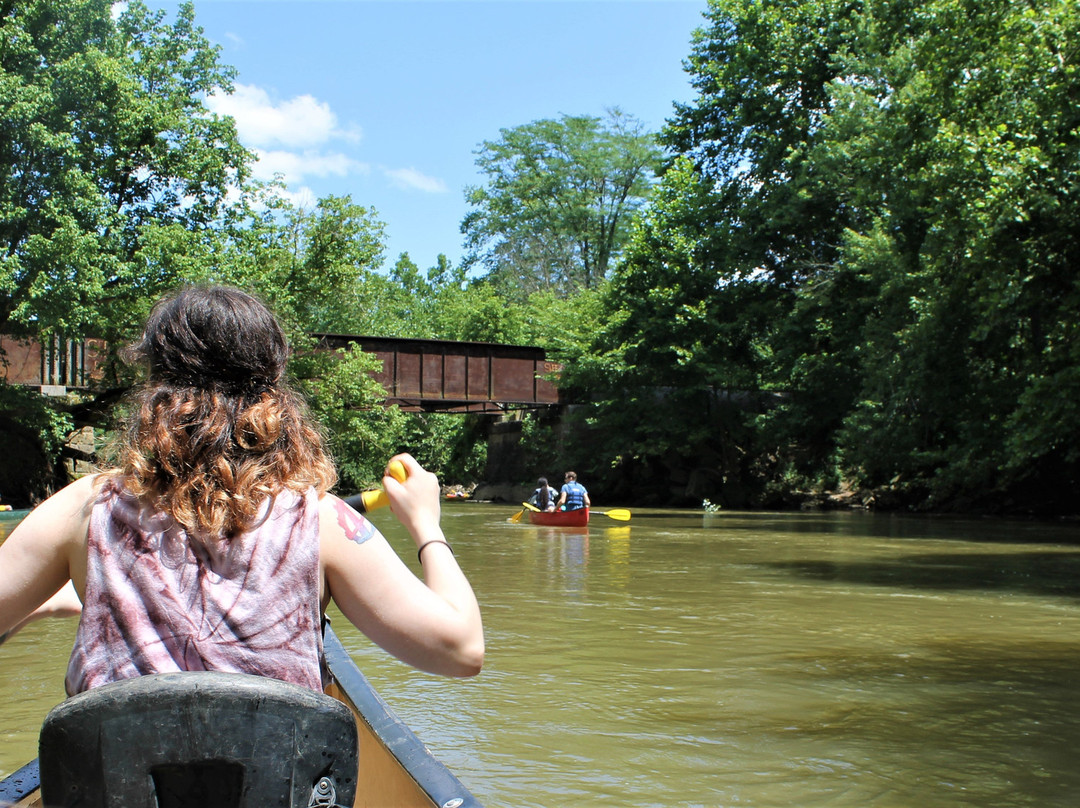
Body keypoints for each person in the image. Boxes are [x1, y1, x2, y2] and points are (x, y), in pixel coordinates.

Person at [0, 285, 483, 694]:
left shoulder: (86, 508)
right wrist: (426, 525)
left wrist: (43, 603)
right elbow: (461, 650)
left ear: (154, 389)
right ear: (272, 392)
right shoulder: (322, 521)